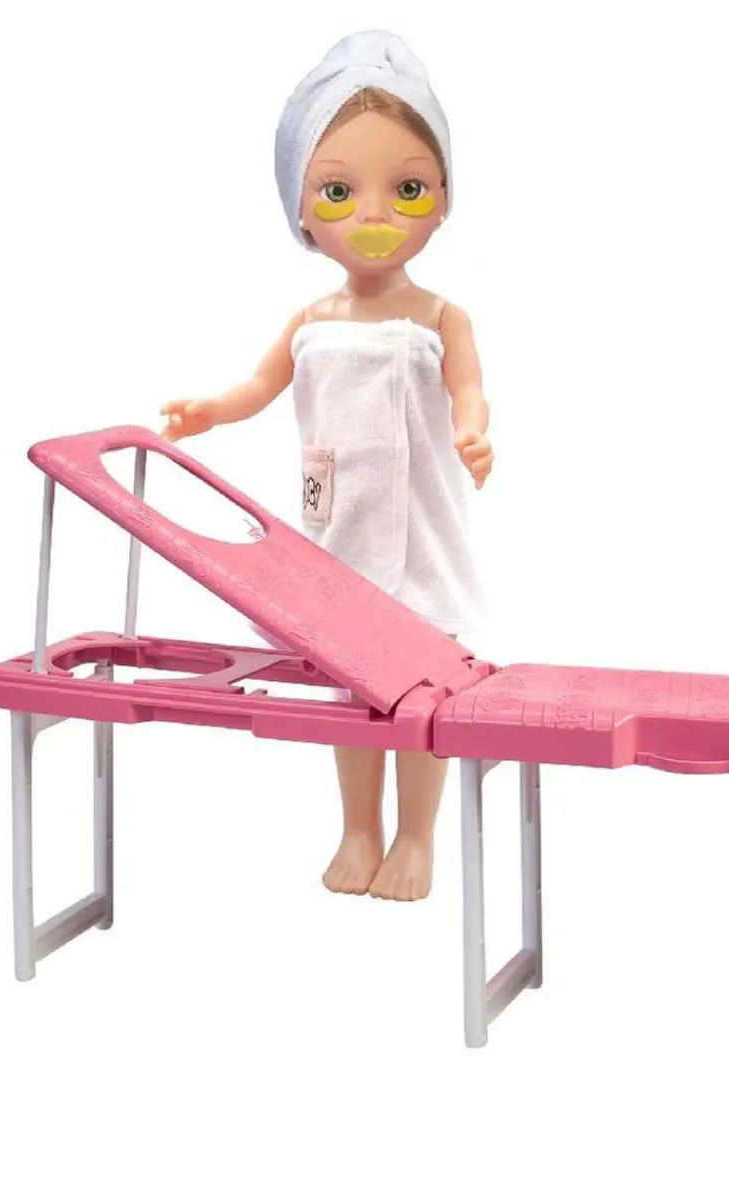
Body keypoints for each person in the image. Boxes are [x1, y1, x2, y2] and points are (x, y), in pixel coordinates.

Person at [160, 31, 492, 902]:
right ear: (302, 211)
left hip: (422, 533)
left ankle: (414, 836)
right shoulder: (311, 320)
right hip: (338, 531)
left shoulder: (441, 317)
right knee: (354, 693)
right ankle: (359, 827)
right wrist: (211, 410)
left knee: (422, 693)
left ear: (442, 201)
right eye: (340, 191)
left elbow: (470, 391)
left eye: (407, 188)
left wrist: (473, 434)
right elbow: (259, 386)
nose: (375, 215)